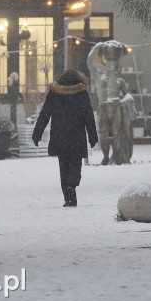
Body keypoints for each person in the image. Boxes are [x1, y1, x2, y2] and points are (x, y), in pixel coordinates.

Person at [32, 68, 98, 207]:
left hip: (59, 135)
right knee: (75, 164)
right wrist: (93, 136)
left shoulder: (55, 92)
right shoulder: (81, 92)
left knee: (63, 166)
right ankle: (72, 186)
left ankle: (68, 197)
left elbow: (45, 113)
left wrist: (37, 134)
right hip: (77, 135)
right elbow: (88, 115)